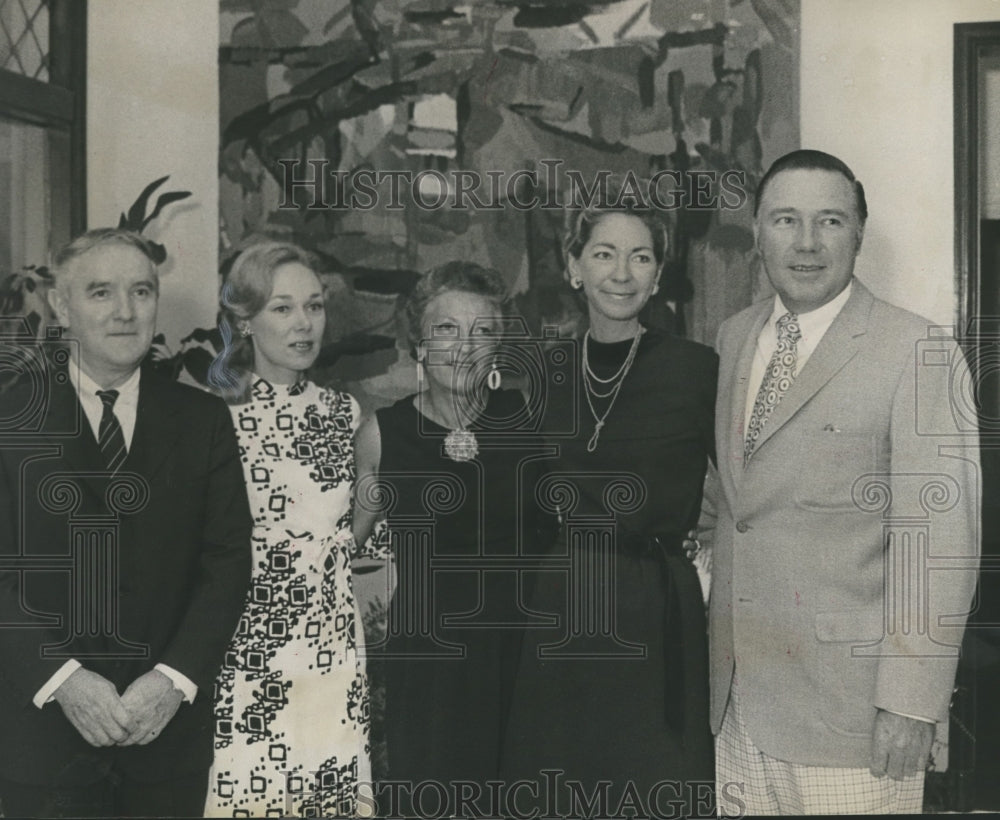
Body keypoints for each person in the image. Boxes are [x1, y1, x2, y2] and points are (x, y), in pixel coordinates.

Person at [707, 149, 980, 815]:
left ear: (859, 230)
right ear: (757, 233)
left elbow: (940, 543)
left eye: (829, 220)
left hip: (856, 720)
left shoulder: (918, 349)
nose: (805, 243)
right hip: (739, 710)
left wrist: (911, 704)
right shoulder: (732, 338)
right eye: (785, 220)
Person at [0, 228, 253, 817]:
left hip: (165, 737)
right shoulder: (10, 418)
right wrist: (65, 681)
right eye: (100, 293)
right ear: (61, 306)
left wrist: (173, 679)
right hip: (42, 742)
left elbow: (226, 562)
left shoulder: (203, 420)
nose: (125, 312)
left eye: (141, 291)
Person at [500, 202, 719, 818]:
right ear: (574, 267)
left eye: (640, 256)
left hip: (656, 606)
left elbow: (746, 494)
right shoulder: (544, 374)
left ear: (657, 276)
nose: (621, 273)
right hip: (560, 601)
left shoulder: (697, 370)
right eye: (603, 254)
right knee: (560, 784)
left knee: (651, 787)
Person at [353, 261, 550, 818]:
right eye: (446, 329)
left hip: (524, 660)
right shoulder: (382, 435)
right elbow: (339, 547)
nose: (465, 345)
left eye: (483, 331)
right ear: (417, 344)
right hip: (430, 669)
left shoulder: (533, 424)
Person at [204, 242, 384, 817]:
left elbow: (360, 539)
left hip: (330, 644)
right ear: (244, 319)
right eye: (282, 308)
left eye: (314, 306)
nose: (304, 324)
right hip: (247, 646)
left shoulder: (344, 413)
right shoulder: (212, 418)